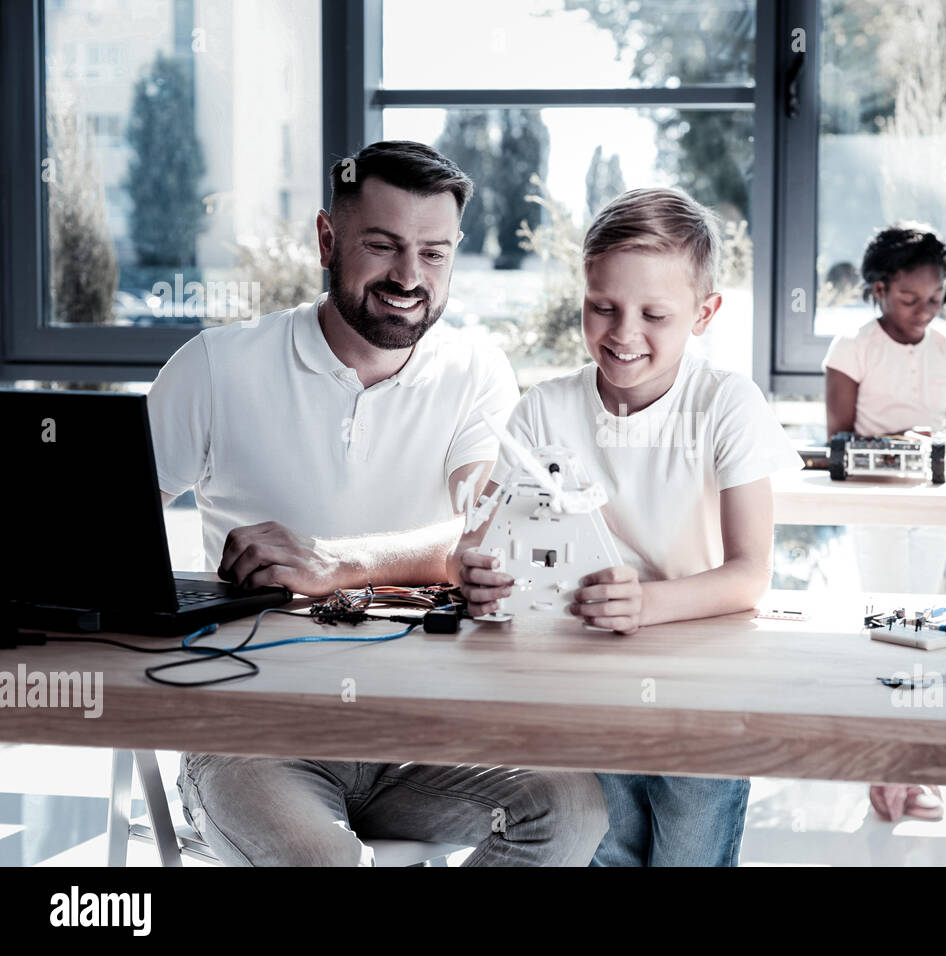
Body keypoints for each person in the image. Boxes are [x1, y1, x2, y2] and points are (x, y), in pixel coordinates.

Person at [148, 140, 608, 865]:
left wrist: (335, 561)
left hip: (424, 735)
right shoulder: (215, 366)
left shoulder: (475, 370)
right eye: (384, 246)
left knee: (570, 810)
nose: (409, 276)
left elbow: (481, 532)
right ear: (327, 240)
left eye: (434, 253)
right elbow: (92, 529)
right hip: (254, 735)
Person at [452, 187, 803, 866]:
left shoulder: (727, 404)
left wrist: (647, 604)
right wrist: (478, 574)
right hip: (580, 688)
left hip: (702, 691)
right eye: (603, 307)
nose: (623, 333)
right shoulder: (544, 409)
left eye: (654, 315)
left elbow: (750, 574)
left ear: (705, 314)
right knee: (604, 852)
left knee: (689, 855)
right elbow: (485, 545)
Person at [821, 224, 946, 823]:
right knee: (889, 625)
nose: (924, 311)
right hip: (878, 504)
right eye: (910, 300)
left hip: (931, 506)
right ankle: (887, 766)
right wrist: (899, 443)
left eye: (935, 300)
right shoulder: (853, 346)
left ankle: (909, 766)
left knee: (924, 625)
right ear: (880, 290)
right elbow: (838, 440)